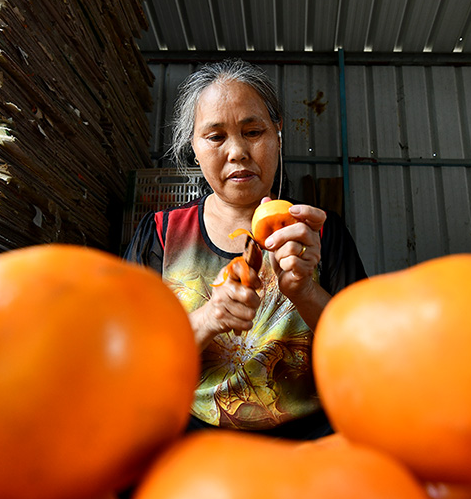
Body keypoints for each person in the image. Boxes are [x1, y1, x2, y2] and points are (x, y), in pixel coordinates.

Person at [125, 58, 366, 440]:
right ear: (194, 147)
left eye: (253, 131)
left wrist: (306, 292)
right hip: (192, 440)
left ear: (277, 135)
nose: (237, 151)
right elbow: (128, 362)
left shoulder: (317, 233)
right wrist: (208, 318)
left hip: (308, 443)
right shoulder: (160, 234)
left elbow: (367, 348)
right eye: (215, 137)